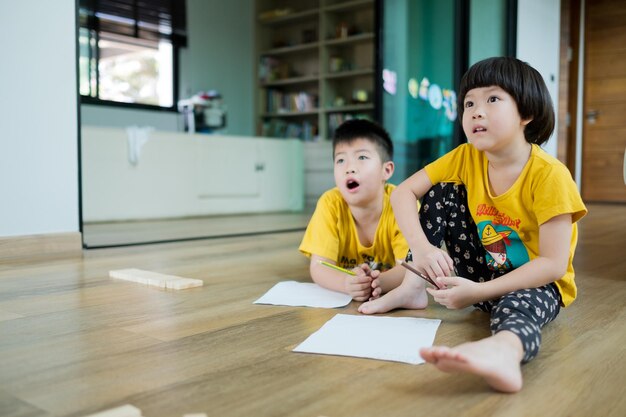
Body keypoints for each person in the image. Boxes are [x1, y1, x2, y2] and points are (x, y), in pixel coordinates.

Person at [358, 57, 587, 393]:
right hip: (480, 273)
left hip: (534, 285)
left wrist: (477, 293)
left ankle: (502, 352)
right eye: (469, 103)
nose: (476, 111)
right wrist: (421, 252)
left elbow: (553, 265)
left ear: (526, 113)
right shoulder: (466, 156)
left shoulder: (551, 175)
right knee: (442, 191)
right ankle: (412, 287)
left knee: (517, 306)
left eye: (492, 99)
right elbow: (403, 193)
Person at [299, 119, 414, 301]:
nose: (349, 168)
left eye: (362, 157)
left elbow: (411, 268)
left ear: (387, 170)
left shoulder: (402, 203)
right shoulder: (330, 203)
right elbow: (320, 267)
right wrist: (345, 283)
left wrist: (378, 282)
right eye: (341, 160)